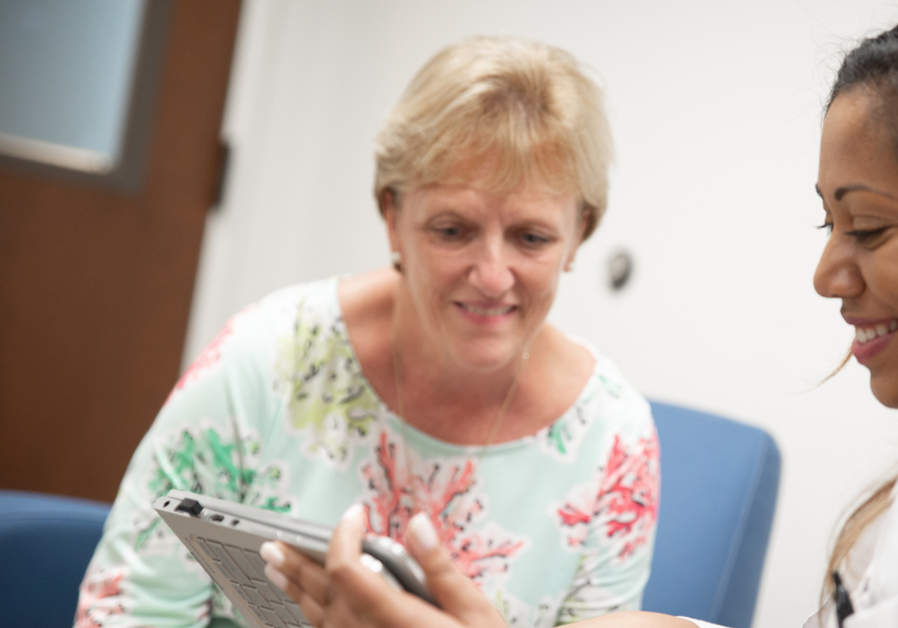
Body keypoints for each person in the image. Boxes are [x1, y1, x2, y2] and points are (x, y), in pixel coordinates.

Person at [262, 1, 898, 627]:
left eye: (868, 227)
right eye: (453, 228)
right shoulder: (279, 343)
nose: (829, 273)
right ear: (391, 215)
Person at [75, 36, 661, 628]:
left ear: (579, 233)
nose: (491, 276)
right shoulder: (269, 360)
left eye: (531, 238)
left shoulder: (614, 441)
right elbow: (127, 609)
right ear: (392, 217)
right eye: (452, 230)